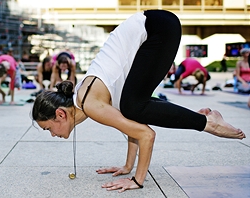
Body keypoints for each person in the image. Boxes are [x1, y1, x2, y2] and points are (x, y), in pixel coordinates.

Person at [31, 10, 246, 192]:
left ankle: (208, 123)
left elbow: (146, 134)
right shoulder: (85, 96)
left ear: (60, 114)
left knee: (133, 105)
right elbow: (130, 125)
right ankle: (204, 118)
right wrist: (127, 166)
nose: (53, 134)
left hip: (157, 29)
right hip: (158, 27)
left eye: (48, 128)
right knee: (131, 106)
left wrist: (136, 180)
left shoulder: (90, 103)